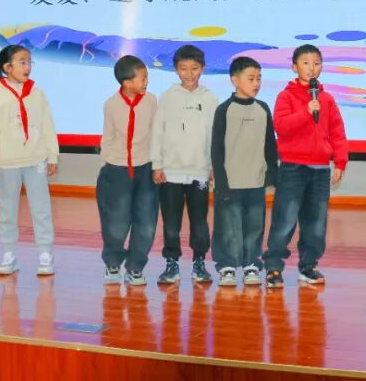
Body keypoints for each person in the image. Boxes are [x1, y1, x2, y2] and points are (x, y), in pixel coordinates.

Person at [262, 44, 348, 289]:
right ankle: (274, 267)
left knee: (316, 223)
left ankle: (308, 266)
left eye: (316, 63)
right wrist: (306, 112)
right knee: (285, 220)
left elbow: (337, 132)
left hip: (320, 169)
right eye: (306, 63)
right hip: (293, 168)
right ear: (294, 67)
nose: (312, 68)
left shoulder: (327, 99)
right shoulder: (286, 96)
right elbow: (281, 126)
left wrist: (340, 162)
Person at [0, 44, 58, 276]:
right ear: (7, 67)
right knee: (7, 210)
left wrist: (52, 155)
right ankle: (8, 255)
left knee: (41, 209)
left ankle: (45, 254)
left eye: (29, 62)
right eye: (22, 62)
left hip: (36, 159)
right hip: (7, 162)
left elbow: (47, 125)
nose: (27, 67)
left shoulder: (37, 92)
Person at [150, 44, 217, 285]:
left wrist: (213, 166)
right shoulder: (167, 97)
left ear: (203, 69)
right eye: (183, 68)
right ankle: (172, 264)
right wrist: (157, 164)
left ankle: (199, 263)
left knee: (199, 221)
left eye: (194, 68)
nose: (189, 74)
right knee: (171, 223)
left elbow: (215, 136)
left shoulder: (211, 99)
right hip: (170, 173)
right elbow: (157, 132)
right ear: (176, 70)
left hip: (200, 173)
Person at [211, 56, 277, 287]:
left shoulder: (263, 109)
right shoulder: (224, 110)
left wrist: (272, 174)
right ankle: (227, 266)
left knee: (254, 226)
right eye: (251, 78)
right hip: (230, 182)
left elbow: (270, 145)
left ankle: (251, 263)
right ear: (235, 80)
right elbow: (216, 149)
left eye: (259, 78)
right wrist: (221, 181)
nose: (256, 83)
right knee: (228, 227)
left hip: (255, 181)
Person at [97, 55, 158, 286]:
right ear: (127, 83)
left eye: (146, 77)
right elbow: (108, 138)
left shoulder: (151, 101)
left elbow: (155, 134)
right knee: (117, 222)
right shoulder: (111, 105)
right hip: (118, 169)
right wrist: (110, 165)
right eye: (142, 78)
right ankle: (112, 262)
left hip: (146, 168)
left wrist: (157, 164)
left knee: (146, 223)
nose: (146, 82)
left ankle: (135, 267)